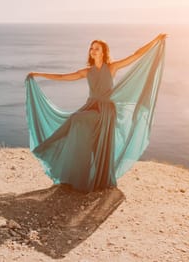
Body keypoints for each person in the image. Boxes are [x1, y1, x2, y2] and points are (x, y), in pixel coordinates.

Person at [25, 34, 167, 192]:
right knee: (79, 125)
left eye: (96, 49)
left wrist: (155, 41)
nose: (93, 51)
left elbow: (136, 55)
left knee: (79, 120)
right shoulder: (87, 71)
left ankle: (94, 177)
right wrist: (38, 74)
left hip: (106, 111)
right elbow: (63, 77)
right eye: (91, 48)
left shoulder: (112, 67)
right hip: (91, 106)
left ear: (103, 52)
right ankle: (77, 172)